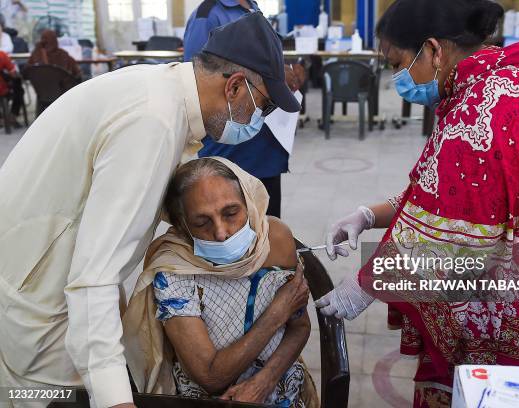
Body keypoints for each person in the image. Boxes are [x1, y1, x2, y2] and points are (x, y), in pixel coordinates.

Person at [315, 0, 519, 406]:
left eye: (398, 63)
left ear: (435, 50)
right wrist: (370, 215)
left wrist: (364, 285)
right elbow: (453, 191)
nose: (397, 77)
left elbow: (453, 235)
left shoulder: (483, 110)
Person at [0, 12, 300, 408]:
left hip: (38, 260)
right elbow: (94, 279)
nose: (258, 120)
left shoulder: (159, 91)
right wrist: (116, 401)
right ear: (234, 87)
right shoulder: (153, 122)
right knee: (51, 397)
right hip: (39, 292)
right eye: (261, 106)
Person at [123, 157, 318, 407]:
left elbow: (299, 328)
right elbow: (210, 377)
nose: (221, 232)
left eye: (231, 213)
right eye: (201, 222)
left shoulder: (274, 240)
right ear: (182, 226)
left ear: (248, 203)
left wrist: (263, 382)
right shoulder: (173, 269)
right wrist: (277, 313)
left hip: (277, 381)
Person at [183, 0, 306, 218]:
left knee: (267, 229)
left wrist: (283, 72)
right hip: (231, 152)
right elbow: (198, 82)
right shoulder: (208, 15)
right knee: (232, 227)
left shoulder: (254, 8)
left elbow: (260, 66)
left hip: (265, 149)